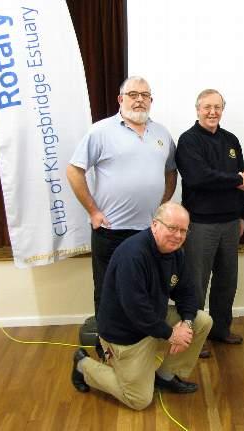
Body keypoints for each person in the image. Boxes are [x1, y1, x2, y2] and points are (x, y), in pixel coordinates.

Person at [71, 202, 212, 410]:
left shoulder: (176, 253)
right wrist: (171, 334)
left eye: (183, 230)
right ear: (155, 225)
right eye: (172, 228)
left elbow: (187, 292)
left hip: (152, 323)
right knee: (139, 400)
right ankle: (83, 365)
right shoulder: (133, 255)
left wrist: (187, 323)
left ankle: (165, 376)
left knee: (202, 321)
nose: (178, 236)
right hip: (126, 334)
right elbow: (136, 309)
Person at [67, 76, 177, 320]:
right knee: (109, 290)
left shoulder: (162, 133)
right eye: (133, 95)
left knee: (148, 290)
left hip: (150, 232)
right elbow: (74, 170)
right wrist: (93, 212)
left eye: (145, 95)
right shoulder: (101, 131)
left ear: (151, 100)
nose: (139, 100)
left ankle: (144, 345)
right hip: (111, 231)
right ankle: (108, 348)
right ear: (120, 99)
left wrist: (161, 207)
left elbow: (171, 172)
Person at [175, 89, 244, 358]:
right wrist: (234, 179)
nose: (212, 112)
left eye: (217, 107)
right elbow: (198, 178)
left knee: (227, 281)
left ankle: (220, 329)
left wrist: (241, 214)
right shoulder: (188, 141)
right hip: (200, 225)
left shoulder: (231, 140)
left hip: (230, 223)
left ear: (222, 109)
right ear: (197, 109)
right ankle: (196, 337)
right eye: (207, 107)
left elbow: (242, 186)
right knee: (196, 284)